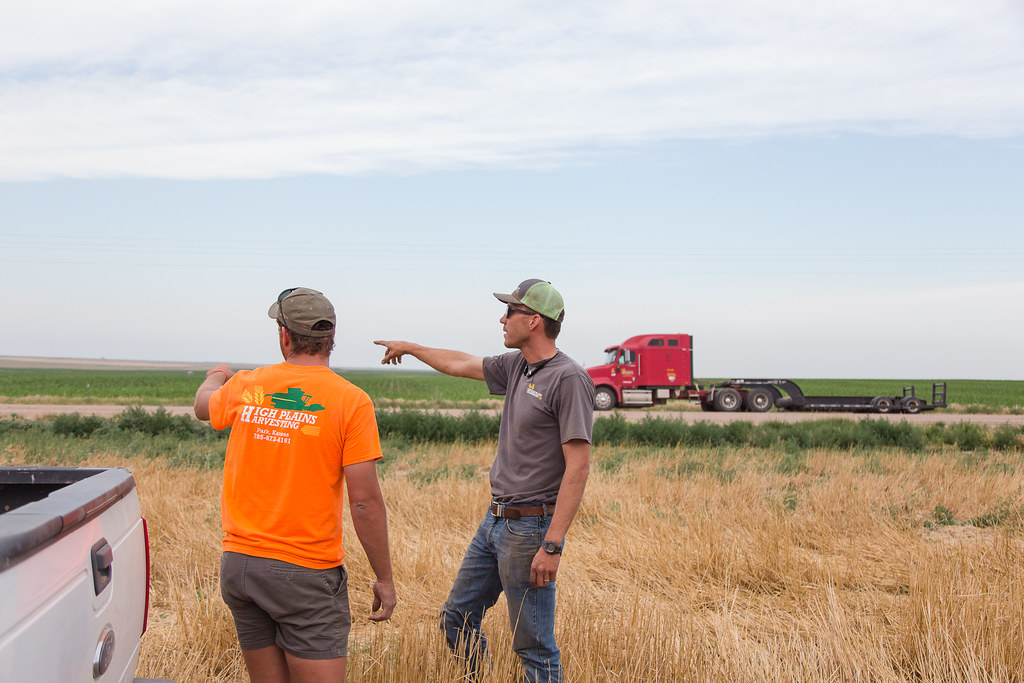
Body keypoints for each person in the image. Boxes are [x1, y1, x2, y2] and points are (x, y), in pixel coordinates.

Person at [375, 278, 594, 683]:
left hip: (530, 529)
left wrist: (552, 544)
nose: (502, 318)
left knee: (535, 649)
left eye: (509, 312)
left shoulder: (568, 378)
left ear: (533, 321)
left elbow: (578, 468)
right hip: (495, 522)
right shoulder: (516, 366)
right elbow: (461, 363)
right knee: (455, 618)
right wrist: (413, 348)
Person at [194, 287, 397, 683]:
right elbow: (364, 503)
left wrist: (216, 376)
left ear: (284, 336)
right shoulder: (350, 401)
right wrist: (384, 578)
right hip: (304, 573)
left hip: (240, 567)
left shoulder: (248, 386)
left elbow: (204, 405)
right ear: (331, 339)